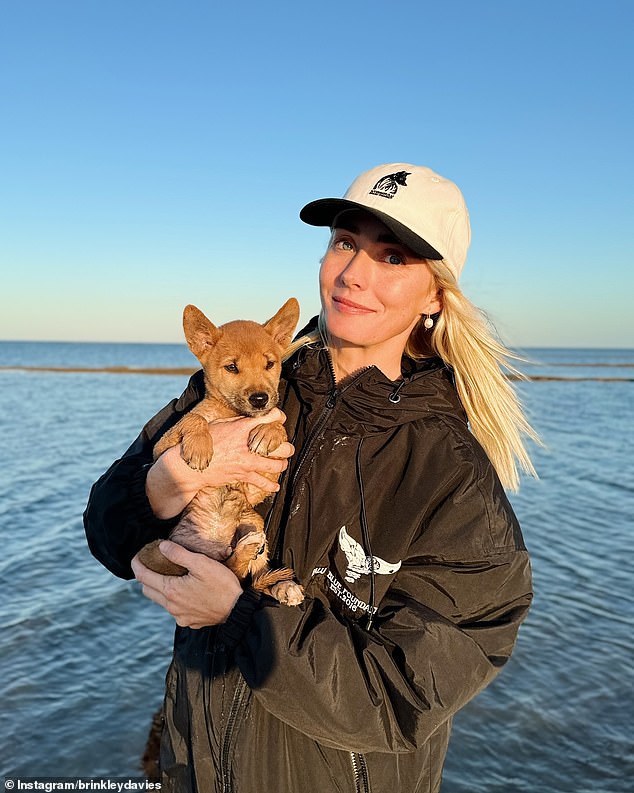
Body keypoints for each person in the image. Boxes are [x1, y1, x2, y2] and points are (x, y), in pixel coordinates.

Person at [84, 163, 535, 793]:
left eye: (393, 257)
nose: (355, 273)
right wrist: (170, 484)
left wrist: (240, 618)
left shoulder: (451, 475)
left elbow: (405, 695)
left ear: (435, 296)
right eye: (345, 243)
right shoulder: (247, 385)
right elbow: (107, 534)